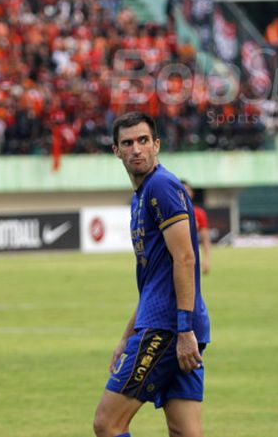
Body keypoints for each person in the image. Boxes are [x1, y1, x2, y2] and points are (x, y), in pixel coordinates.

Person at [93, 112, 210, 437]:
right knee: (185, 432)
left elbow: (185, 258)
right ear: (116, 150)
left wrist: (183, 331)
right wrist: (126, 336)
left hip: (169, 327)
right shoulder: (141, 196)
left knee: (108, 423)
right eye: (127, 143)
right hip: (175, 324)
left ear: (156, 144)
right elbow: (154, 282)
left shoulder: (161, 185)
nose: (136, 149)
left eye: (143, 141)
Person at [181, 179, 212, 275]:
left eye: (188, 190)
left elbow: (205, 238)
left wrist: (206, 259)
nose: (186, 193)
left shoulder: (199, 213)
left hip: (192, 260)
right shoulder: (167, 213)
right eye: (182, 190)